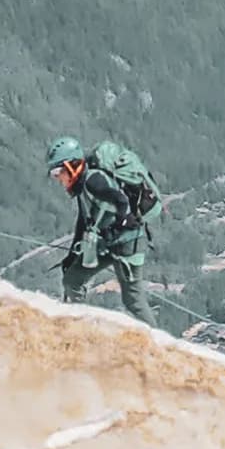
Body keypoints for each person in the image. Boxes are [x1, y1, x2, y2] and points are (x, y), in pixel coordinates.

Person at [48, 136, 153, 325]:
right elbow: (84, 220)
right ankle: (80, 322)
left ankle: (159, 345)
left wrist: (121, 222)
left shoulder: (93, 181)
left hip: (128, 244)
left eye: (57, 172)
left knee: (133, 300)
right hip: (110, 242)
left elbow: (121, 200)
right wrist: (72, 256)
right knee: (73, 279)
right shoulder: (82, 184)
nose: (57, 178)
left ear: (71, 166)